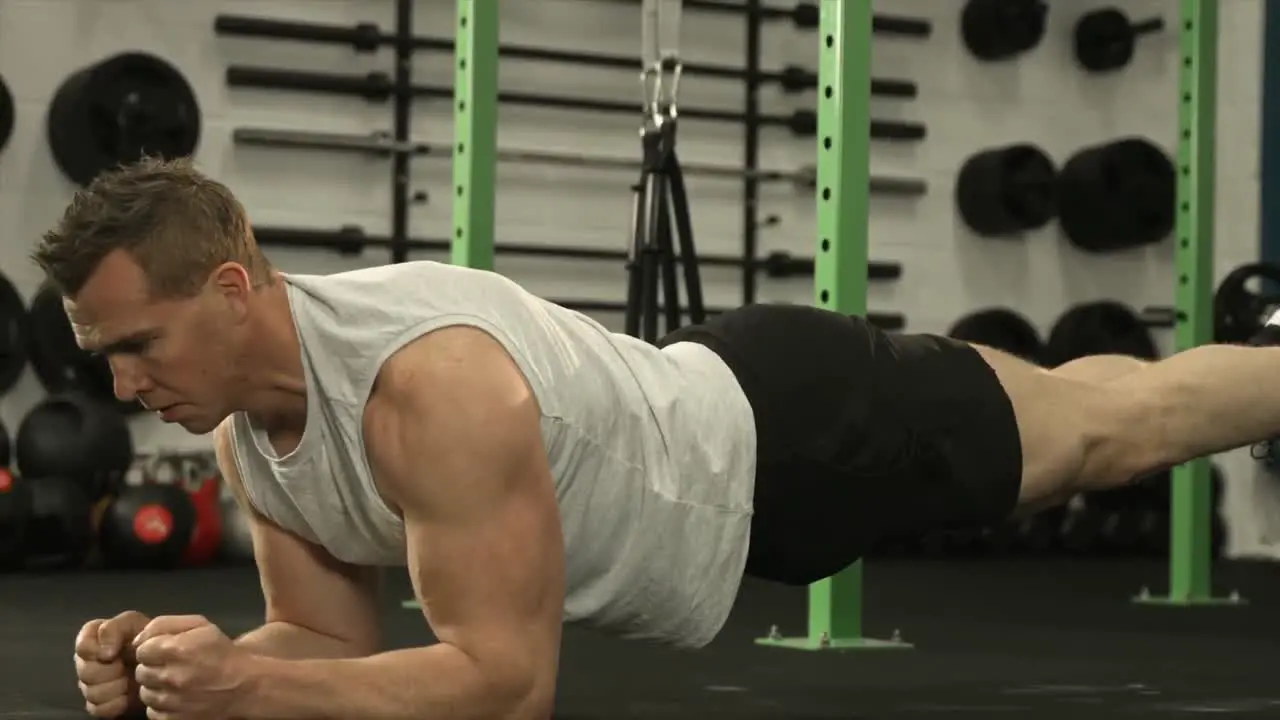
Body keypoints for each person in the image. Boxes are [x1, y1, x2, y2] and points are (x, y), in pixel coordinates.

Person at [47, 157, 1279, 720]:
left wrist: (249, 689)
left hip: (801, 437)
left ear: (228, 289)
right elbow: (324, 639)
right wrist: (182, 663)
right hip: (728, 407)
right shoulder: (246, 435)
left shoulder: (430, 394)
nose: (122, 384)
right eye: (106, 359)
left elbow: (504, 685)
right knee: (1093, 396)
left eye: (136, 344)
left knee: (1121, 428)